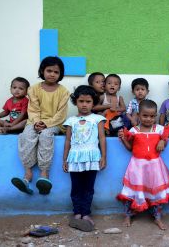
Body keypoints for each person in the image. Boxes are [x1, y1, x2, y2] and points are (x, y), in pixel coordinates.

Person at [11, 56, 69, 195]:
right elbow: (33, 109)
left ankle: (44, 174)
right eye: (49, 70)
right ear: (42, 71)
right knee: (27, 135)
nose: (52, 74)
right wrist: (37, 122)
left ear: (60, 74)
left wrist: (46, 124)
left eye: (56, 72)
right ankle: (27, 175)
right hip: (34, 121)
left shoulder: (64, 92)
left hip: (54, 123)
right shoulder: (34, 89)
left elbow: (60, 115)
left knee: (46, 135)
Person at [117, 100, 169, 230]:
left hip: (155, 167)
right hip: (137, 166)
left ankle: (157, 217)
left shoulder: (159, 129)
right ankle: (128, 215)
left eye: (152, 116)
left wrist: (162, 141)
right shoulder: (134, 130)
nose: (148, 119)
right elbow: (130, 148)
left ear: (155, 116)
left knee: (156, 192)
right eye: (145, 116)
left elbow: (166, 137)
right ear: (138, 115)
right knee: (131, 191)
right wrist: (123, 140)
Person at [63, 85, 106, 232]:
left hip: (92, 157)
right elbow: (67, 141)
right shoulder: (71, 121)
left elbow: (102, 138)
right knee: (76, 188)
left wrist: (103, 157)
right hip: (74, 158)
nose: (84, 104)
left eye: (88, 101)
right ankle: (77, 213)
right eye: (81, 101)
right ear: (76, 102)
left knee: (88, 188)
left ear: (93, 103)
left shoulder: (98, 119)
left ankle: (86, 213)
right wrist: (65, 160)